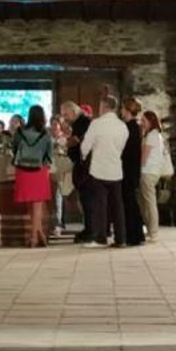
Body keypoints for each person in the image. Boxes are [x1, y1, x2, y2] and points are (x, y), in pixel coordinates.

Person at [79, 94, 129, 248]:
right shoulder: (122, 126)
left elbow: (86, 145)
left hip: (99, 170)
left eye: (100, 106)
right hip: (115, 170)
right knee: (118, 206)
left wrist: (84, 155)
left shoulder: (96, 124)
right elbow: (121, 147)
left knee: (100, 205)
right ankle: (121, 239)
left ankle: (101, 238)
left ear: (105, 107)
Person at [11, 105, 53, 248]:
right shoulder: (45, 133)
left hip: (22, 169)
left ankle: (37, 235)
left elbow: (14, 148)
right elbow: (49, 153)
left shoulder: (19, 132)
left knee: (29, 203)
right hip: (39, 170)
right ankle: (35, 236)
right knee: (38, 205)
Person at [59, 101, 94, 242]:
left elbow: (79, 144)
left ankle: (91, 230)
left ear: (73, 112)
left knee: (88, 200)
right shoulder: (79, 123)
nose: (64, 118)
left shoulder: (83, 124)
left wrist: (69, 142)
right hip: (84, 167)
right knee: (85, 200)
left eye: (66, 114)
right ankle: (90, 228)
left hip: (85, 168)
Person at [139, 109, 169, 243]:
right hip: (153, 171)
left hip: (148, 171)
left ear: (151, 122)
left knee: (149, 203)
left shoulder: (151, 136)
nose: (141, 123)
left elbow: (144, 157)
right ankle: (151, 231)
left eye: (144, 121)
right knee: (147, 202)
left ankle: (153, 232)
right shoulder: (157, 135)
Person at [120, 98, 145, 246]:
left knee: (129, 202)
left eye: (123, 108)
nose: (121, 111)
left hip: (128, 169)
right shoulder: (134, 127)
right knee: (130, 202)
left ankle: (133, 236)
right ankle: (135, 235)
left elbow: (127, 151)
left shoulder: (130, 127)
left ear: (128, 110)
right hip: (131, 169)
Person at [50, 116, 73, 239]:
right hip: (49, 168)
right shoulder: (47, 138)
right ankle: (53, 223)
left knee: (59, 196)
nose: (54, 126)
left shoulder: (64, 139)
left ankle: (58, 224)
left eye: (56, 124)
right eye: (52, 124)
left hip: (61, 169)